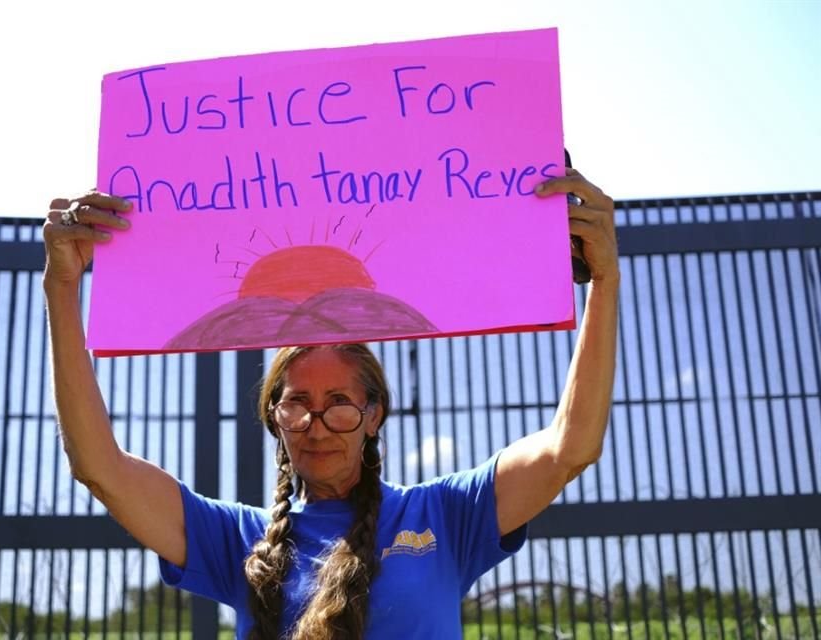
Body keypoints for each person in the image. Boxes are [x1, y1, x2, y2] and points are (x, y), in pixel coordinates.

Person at [42, 167, 619, 639]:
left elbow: (572, 445)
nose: (316, 425)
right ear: (275, 419)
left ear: (374, 416)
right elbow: (100, 467)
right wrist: (61, 287)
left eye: (339, 402)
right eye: (297, 404)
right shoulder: (237, 541)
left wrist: (603, 280)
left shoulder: (446, 517)